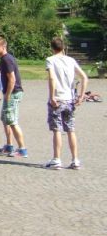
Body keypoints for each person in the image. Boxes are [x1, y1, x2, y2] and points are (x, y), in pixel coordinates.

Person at [44, 37, 88, 169]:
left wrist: (52, 96)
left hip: (58, 99)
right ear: (63, 47)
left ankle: (57, 159)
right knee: (70, 130)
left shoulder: (50, 60)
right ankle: (75, 159)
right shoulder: (71, 60)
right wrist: (81, 95)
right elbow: (84, 77)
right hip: (69, 99)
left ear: (52, 48)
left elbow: (52, 78)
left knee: (57, 129)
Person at [0, 37, 28, 157]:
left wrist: (7, 95)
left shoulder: (7, 59)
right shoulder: (4, 59)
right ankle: (9, 145)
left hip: (13, 93)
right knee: (5, 119)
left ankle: (22, 149)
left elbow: (12, 79)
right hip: (10, 93)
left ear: (3, 46)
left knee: (12, 121)